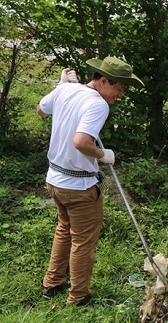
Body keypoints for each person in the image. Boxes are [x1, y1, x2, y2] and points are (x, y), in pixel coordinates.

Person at [38, 56, 144, 306]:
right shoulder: (98, 104)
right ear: (104, 81)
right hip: (79, 186)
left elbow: (41, 110)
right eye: (119, 88)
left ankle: (53, 282)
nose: (121, 94)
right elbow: (81, 142)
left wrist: (60, 86)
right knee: (83, 242)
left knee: (64, 229)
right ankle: (79, 297)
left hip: (55, 180)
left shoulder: (66, 89)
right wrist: (101, 154)